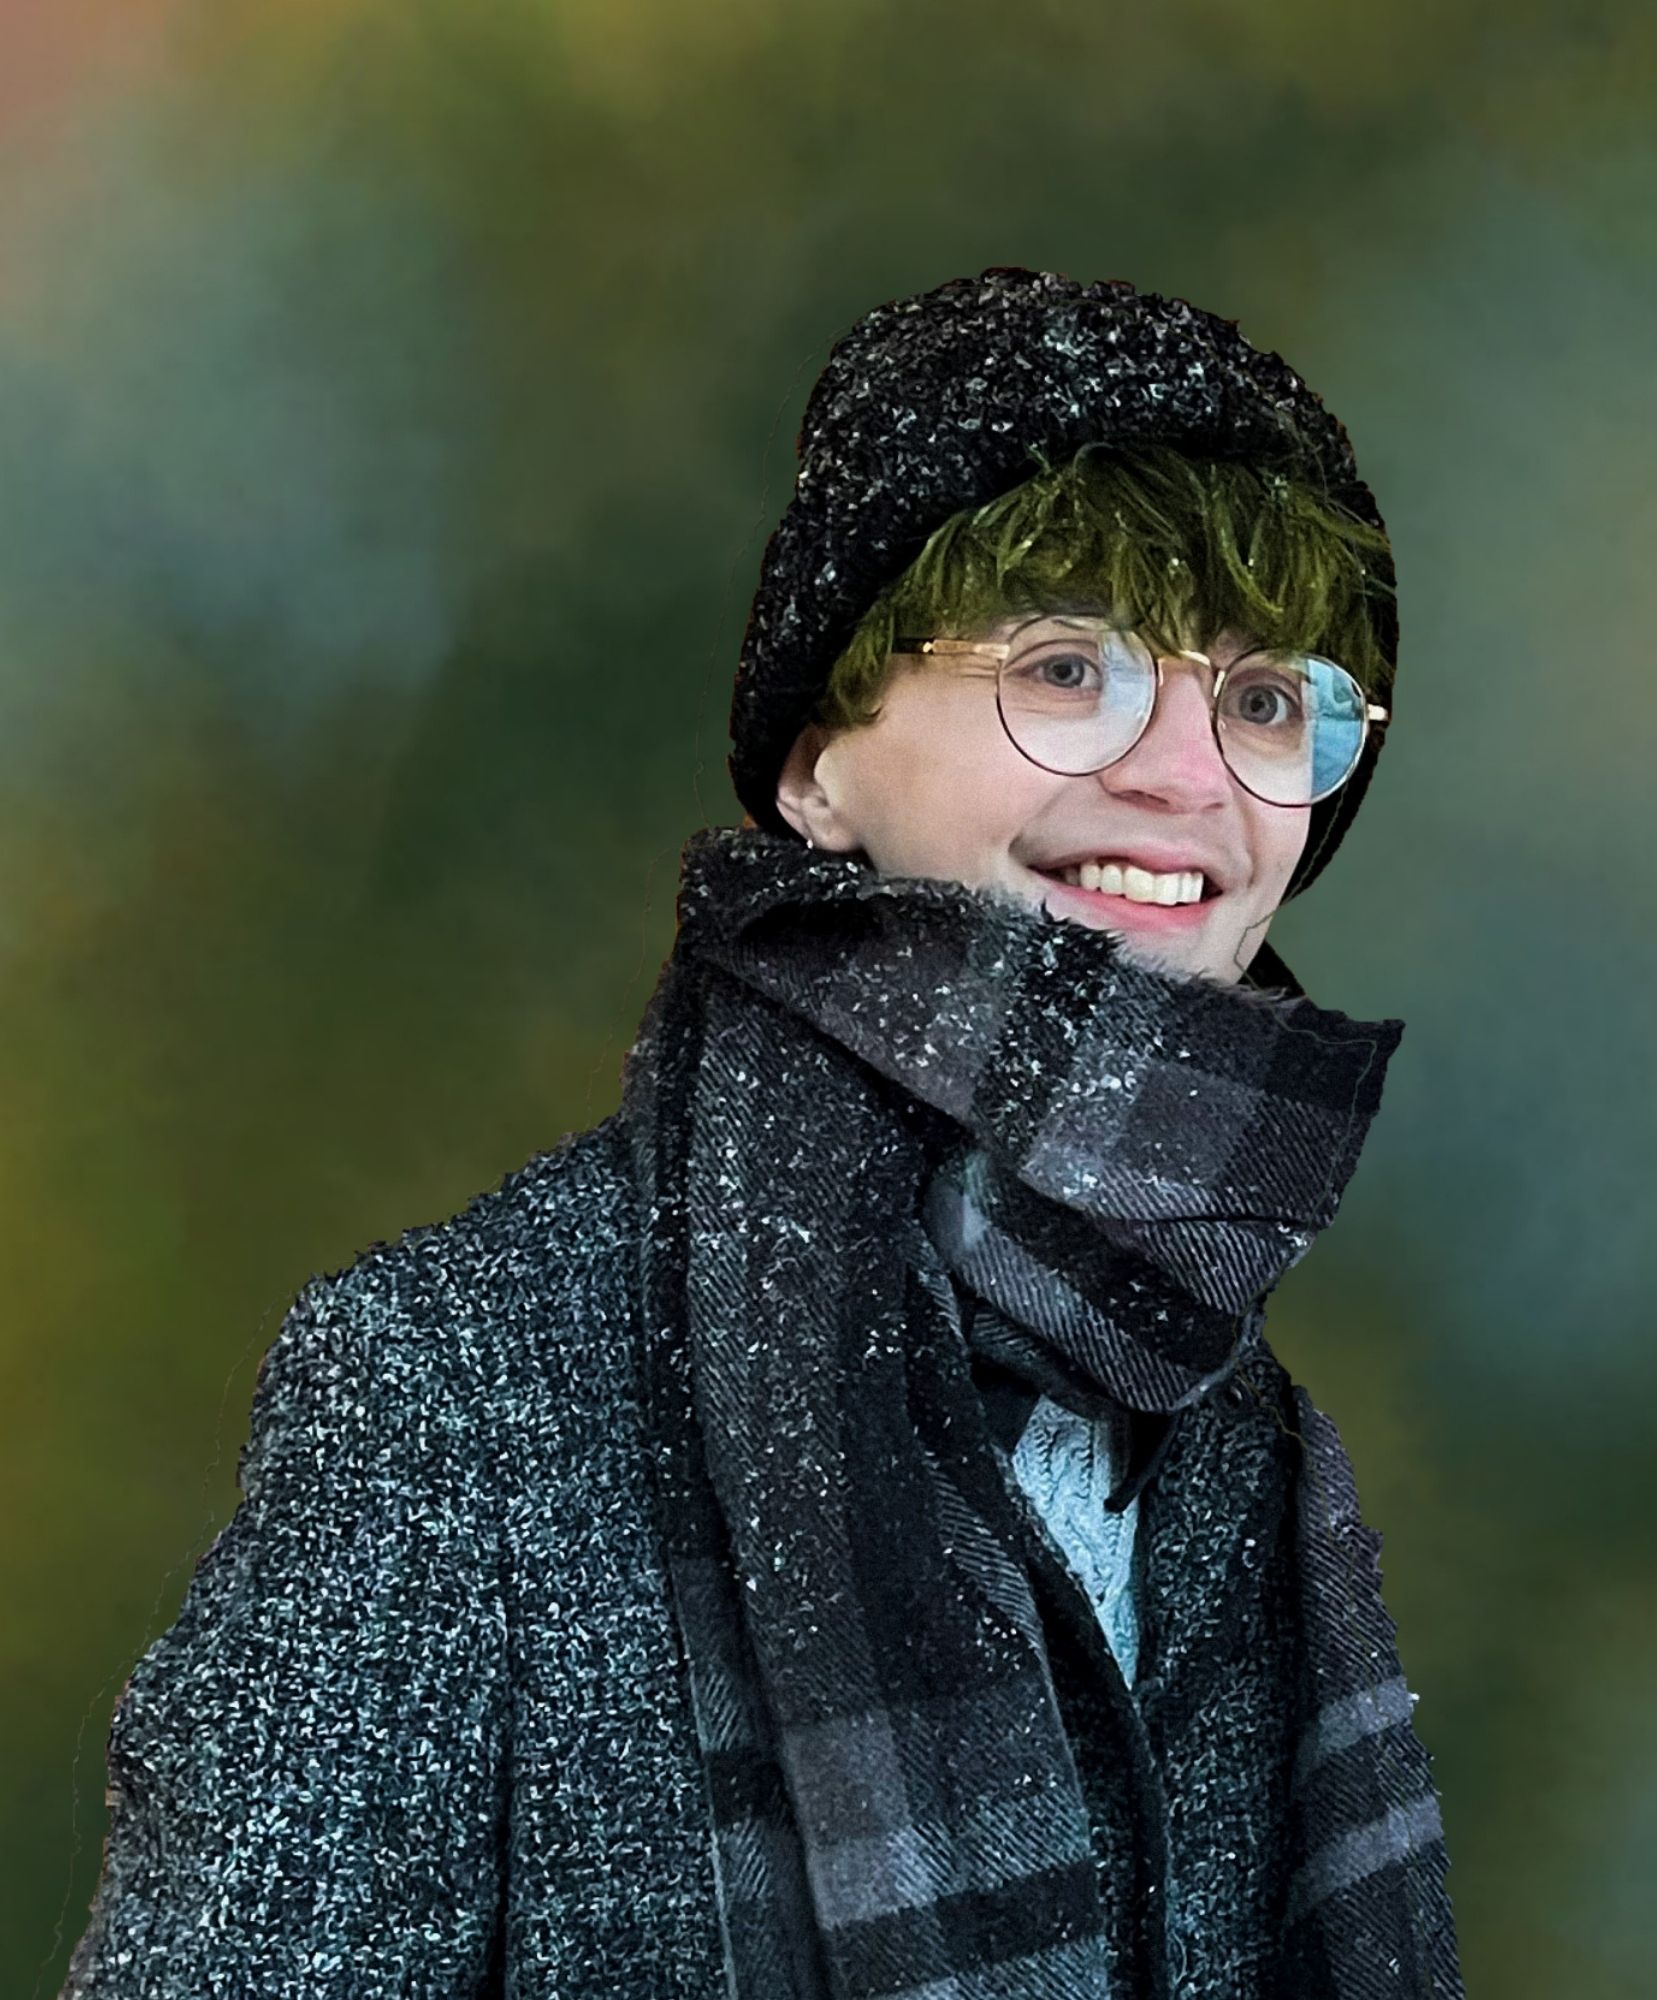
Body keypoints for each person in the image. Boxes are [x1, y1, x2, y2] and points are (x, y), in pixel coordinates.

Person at [62, 267, 1466, 1998]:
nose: (1190, 778)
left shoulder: (1231, 1435)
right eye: (1068, 665)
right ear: (816, 759)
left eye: (1264, 701)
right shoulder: (448, 1391)